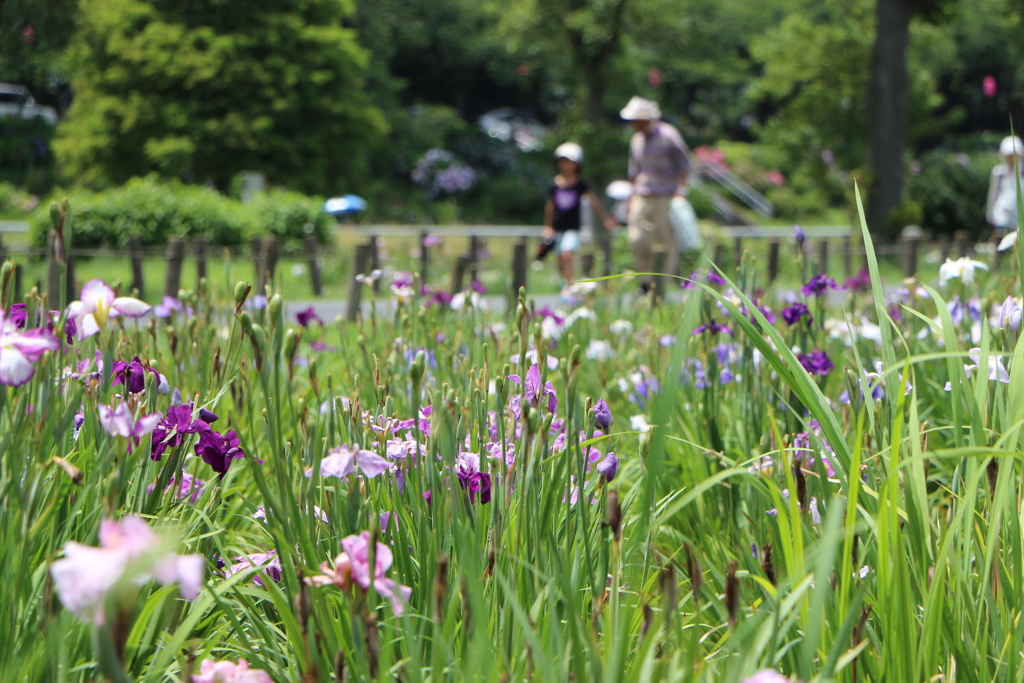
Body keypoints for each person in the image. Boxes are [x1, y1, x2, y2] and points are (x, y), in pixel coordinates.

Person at [620, 96, 690, 294]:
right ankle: (645, 279)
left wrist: (681, 192)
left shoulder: (669, 135)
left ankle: (663, 285)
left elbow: (684, 165)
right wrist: (630, 197)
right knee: (638, 238)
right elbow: (634, 171)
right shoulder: (636, 140)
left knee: (667, 241)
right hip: (642, 195)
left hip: (666, 195)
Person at [541, 142, 616, 290]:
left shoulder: (581, 184)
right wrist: (548, 227)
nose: (565, 165)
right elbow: (550, 207)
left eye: (569, 161)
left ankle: (569, 287)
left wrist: (605, 220)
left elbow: (594, 202)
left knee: (567, 255)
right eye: (562, 161)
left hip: (573, 228)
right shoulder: (554, 185)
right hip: (558, 228)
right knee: (560, 259)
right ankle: (566, 283)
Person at [986, 135, 1024, 241]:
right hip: (1001, 216)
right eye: (1009, 155)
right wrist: (990, 215)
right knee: (1000, 243)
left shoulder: (1022, 173)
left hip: (1019, 217)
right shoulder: (999, 172)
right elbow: (993, 193)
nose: (1012, 158)